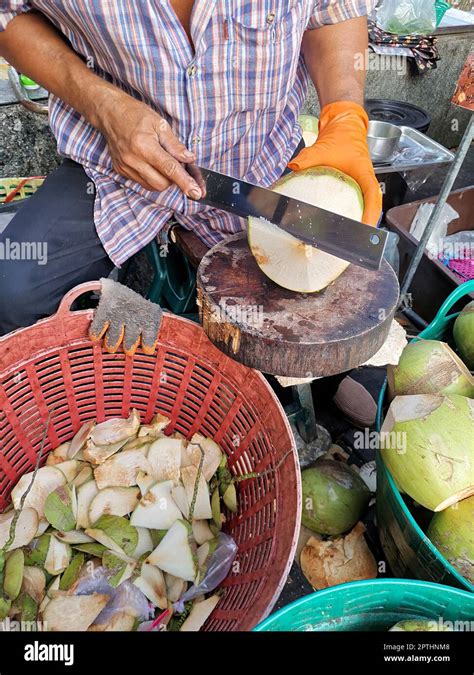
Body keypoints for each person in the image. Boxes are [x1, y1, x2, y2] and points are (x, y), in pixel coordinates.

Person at [0, 1, 382, 337]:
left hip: (261, 163)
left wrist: (344, 115)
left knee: (329, 311)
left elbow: (333, 9)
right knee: (10, 294)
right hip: (111, 164)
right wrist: (101, 104)